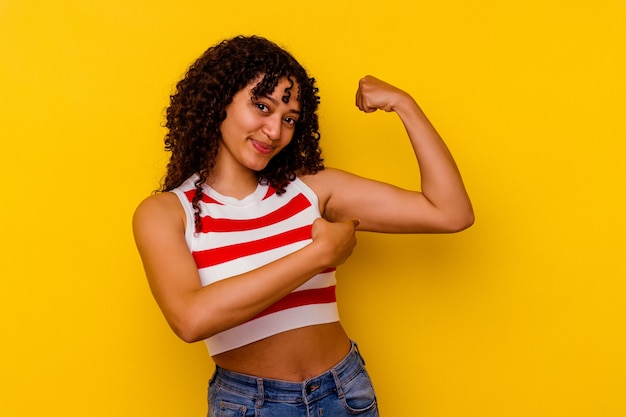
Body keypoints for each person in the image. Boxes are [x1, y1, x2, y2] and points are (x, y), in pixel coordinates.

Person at [133, 35, 473, 417]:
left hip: (345, 393)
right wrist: (319, 256)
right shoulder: (166, 212)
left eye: (289, 118)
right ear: (219, 101)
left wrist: (405, 106)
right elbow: (190, 319)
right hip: (250, 406)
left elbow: (450, 212)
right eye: (261, 106)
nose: (274, 130)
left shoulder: (312, 190)